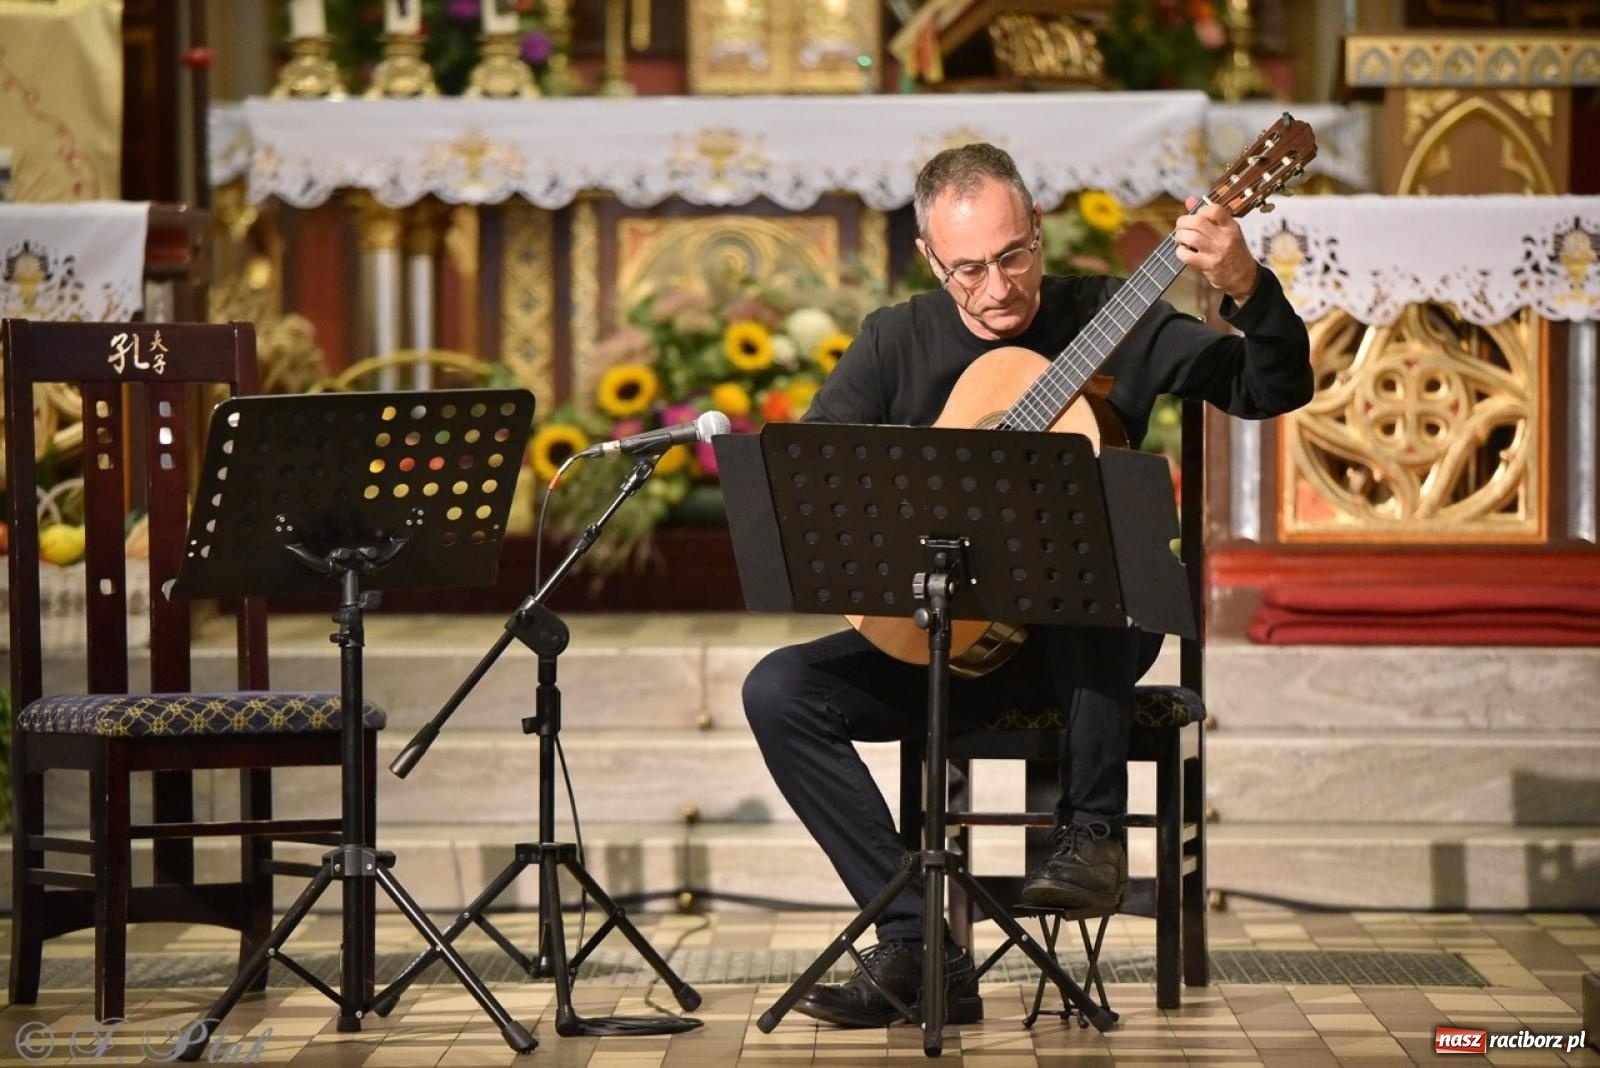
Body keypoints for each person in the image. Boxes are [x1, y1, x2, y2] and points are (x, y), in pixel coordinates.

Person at [741, 143, 1312, 1029]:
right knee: (780, 689)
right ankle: (919, 947)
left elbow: (1274, 385)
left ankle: (1093, 834)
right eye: (968, 268)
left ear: (1038, 234)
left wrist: (1245, 287)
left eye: (1013, 256)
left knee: (1083, 564)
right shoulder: (898, 338)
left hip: (1084, 656)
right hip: (942, 645)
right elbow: (815, 475)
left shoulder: (1117, 318)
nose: (998, 285)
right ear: (933, 260)